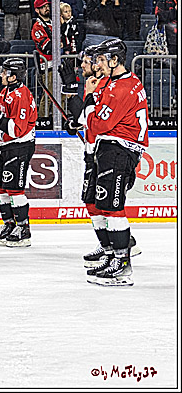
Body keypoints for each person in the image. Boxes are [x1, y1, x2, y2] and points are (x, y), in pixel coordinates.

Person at [78, 39, 149, 285]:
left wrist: (87, 101)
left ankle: (122, 264)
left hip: (120, 149)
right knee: (102, 203)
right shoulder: (117, 82)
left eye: (101, 59)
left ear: (115, 60)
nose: (97, 64)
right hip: (112, 147)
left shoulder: (121, 89)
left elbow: (99, 124)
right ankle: (113, 256)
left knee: (112, 206)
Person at [0, 57, 37, 248]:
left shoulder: (21, 96)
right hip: (5, 145)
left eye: (5, 72)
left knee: (14, 188)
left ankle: (23, 228)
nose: (1, 75)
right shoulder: (4, 92)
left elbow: (18, 129)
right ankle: (9, 224)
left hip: (20, 145)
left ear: (14, 76)